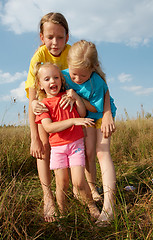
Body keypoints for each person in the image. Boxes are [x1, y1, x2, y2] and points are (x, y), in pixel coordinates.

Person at [34, 62, 100, 219]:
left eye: (56, 77)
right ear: (40, 85)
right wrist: (73, 121)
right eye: (47, 79)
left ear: (62, 80)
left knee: (78, 181)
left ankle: (91, 206)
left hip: (75, 144)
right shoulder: (43, 105)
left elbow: (82, 113)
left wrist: (75, 97)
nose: (52, 81)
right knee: (62, 183)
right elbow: (49, 127)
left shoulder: (67, 97)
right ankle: (63, 214)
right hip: (57, 149)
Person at [61, 40, 117, 226]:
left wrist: (77, 97)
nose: (76, 79)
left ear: (93, 69)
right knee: (88, 153)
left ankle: (110, 207)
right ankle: (92, 190)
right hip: (83, 119)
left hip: (100, 115)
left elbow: (95, 107)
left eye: (82, 75)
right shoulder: (63, 76)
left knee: (102, 153)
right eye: (74, 74)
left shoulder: (97, 82)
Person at [25, 12, 71, 222]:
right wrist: (34, 137)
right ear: (42, 37)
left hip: (68, 105)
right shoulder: (39, 57)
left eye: (60, 37)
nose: (55, 42)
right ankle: (47, 196)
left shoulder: (71, 53)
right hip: (46, 107)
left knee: (72, 143)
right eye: (50, 37)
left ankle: (72, 190)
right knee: (44, 145)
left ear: (67, 37)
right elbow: (33, 102)